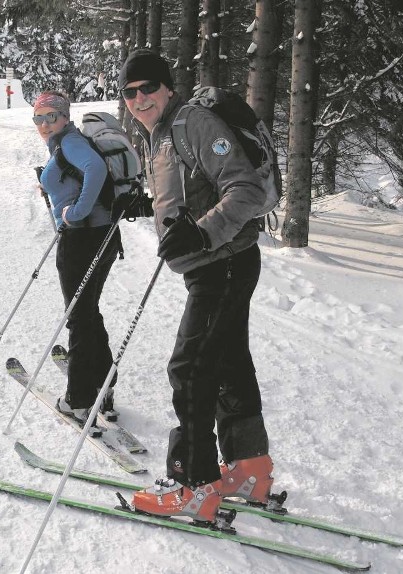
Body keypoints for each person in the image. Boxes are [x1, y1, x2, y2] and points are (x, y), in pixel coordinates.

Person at [115, 49, 275, 525]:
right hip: (218, 263)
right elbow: (192, 190)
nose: (139, 98)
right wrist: (150, 207)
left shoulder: (191, 124)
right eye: (130, 92)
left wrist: (202, 232)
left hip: (222, 263)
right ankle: (248, 469)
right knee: (227, 362)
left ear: (167, 87)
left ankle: (193, 484)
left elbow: (243, 191)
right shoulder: (162, 134)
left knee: (190, 369)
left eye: (148, 88)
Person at [33, 90, 121, 428]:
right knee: (86, 311)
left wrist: (75, 212)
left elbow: (95, 168)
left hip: (83, 239)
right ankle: (103, 385)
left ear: (65, 117)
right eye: (38, 118)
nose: (44, 124)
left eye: (50, 116)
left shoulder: (69, 141)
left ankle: (80, 399)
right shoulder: (64, 144)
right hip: (101, 237)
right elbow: (81, 174)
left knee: (78, 317)